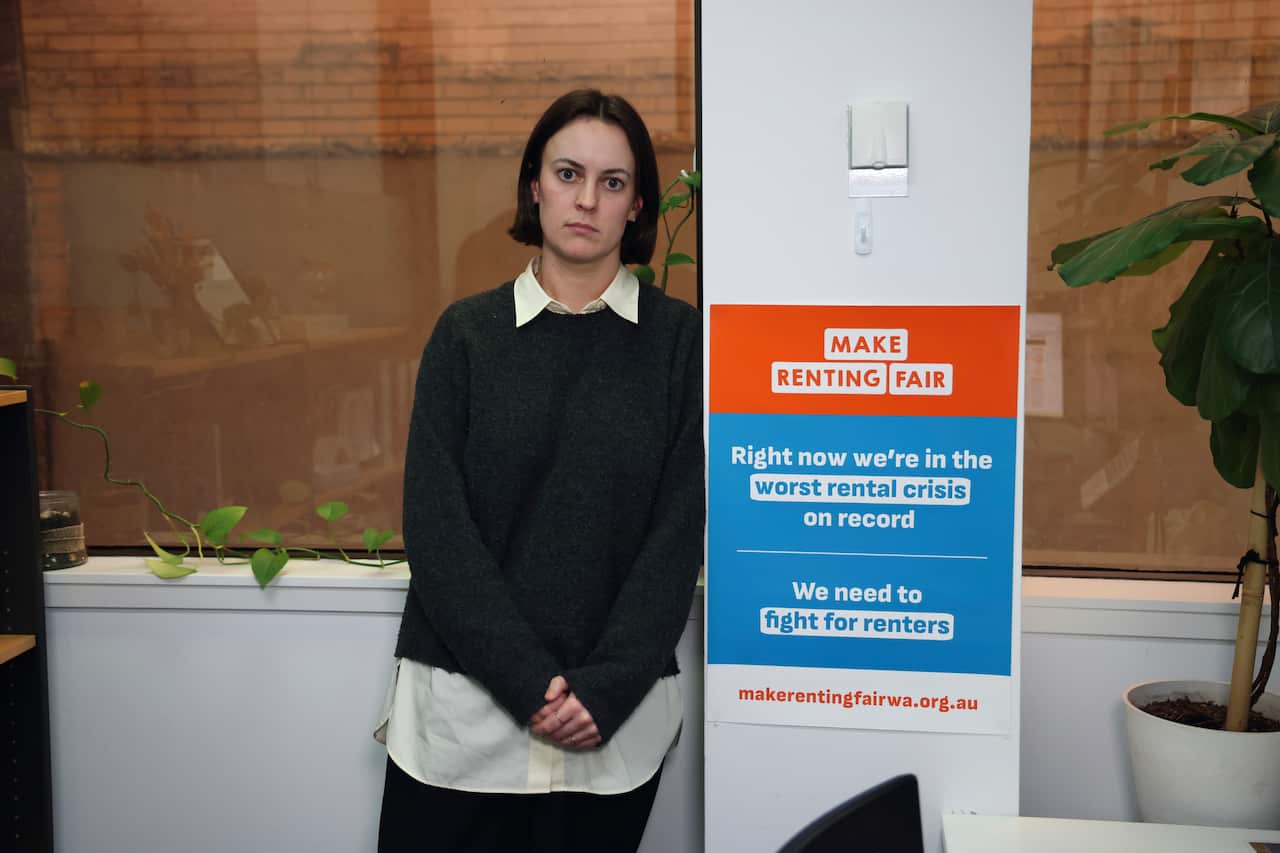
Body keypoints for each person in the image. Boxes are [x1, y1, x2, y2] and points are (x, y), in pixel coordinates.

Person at [374, 89, 704, 853]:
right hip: (462, 722)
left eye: (613, 182)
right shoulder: (465, 336)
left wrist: (607, 685)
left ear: (637, 206)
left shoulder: (679, 343)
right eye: (567, 173)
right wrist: (530, 682)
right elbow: (435, 525)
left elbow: (678, 529)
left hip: (608, 727)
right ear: (534, 185)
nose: (587, 199)